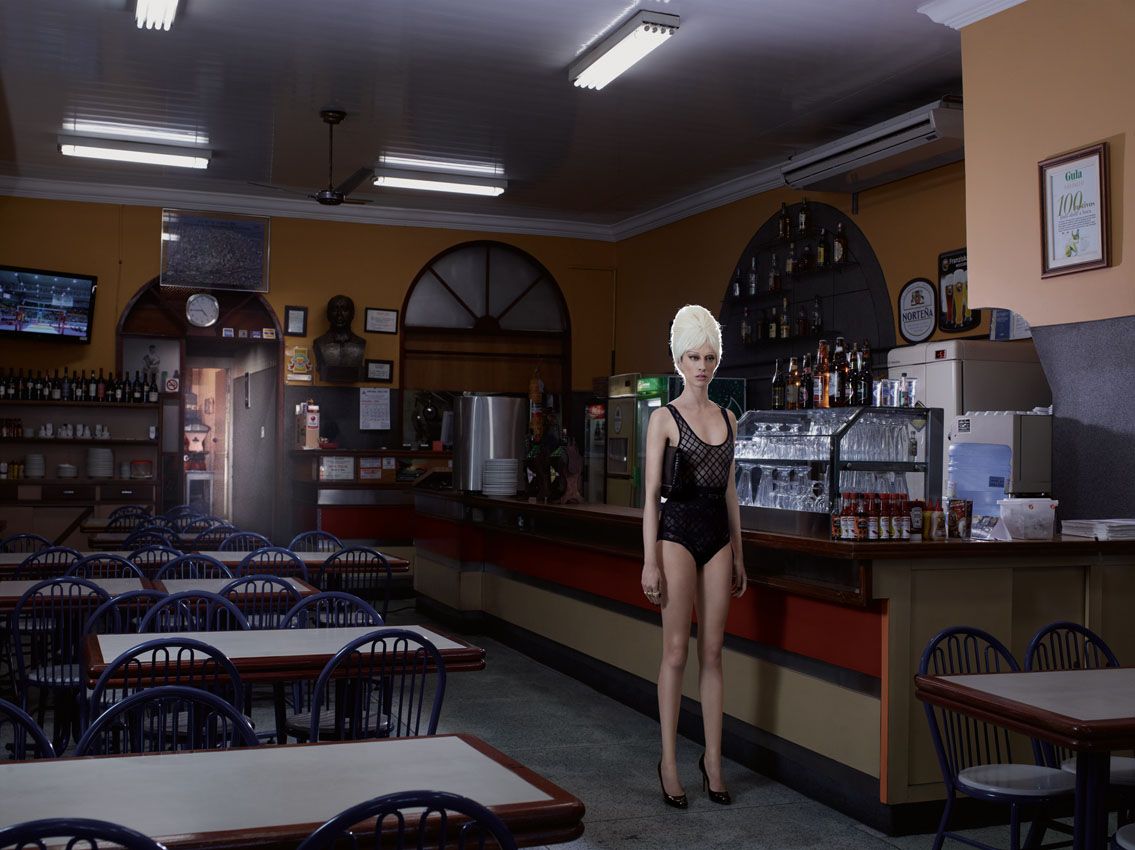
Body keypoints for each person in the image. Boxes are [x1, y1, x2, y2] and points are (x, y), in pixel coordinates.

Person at [641, 303, 747, 809]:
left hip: (718, 535)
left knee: (713, 651)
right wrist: (649, 560)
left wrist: (740, 555)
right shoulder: (663, 418)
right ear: (678, 360)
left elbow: (730, 494)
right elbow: (649, 498)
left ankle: (713, 761)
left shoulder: (729, 418)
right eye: (693, 357)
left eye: (709, 357)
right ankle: (668, 761)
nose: (702, 366)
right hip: (676, 533)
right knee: (676, 652)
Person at [313, 294, 366, 381]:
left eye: (344, 310)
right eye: (334, 310)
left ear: (352, 314)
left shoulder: (360, 343)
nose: (339, 315)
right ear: (328, 314)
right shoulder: (319, 343)